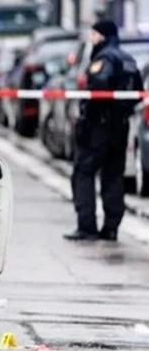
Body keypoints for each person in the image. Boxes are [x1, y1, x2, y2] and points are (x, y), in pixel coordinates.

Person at [65, 20, 141, 242]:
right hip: (120, 127)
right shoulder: (128, 59)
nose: (92, 38)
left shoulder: (104, 58)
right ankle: (111, 228)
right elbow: (137, 92)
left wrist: (90, 116)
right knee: (113, 176)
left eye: (95, 34)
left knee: (83, 172)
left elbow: (99, 85)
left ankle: (87, 227)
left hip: (98, 127)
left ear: (104, 35)